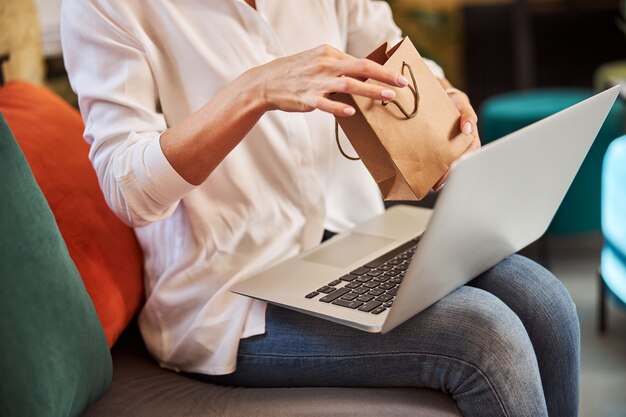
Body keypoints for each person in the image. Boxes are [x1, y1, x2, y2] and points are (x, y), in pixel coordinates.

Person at [61, 1, 580, 416]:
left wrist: (443, 96)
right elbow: (126, 189)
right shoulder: (106, 7)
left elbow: (388, 52)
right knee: (485, 335)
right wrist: (254, 90)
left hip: (353, 237)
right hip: (230, 293)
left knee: (545, 298)